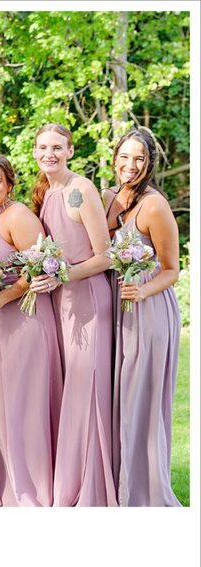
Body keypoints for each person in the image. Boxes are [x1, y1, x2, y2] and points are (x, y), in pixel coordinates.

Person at [29, 123, 117, 506]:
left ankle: (89, 485)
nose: (49, 154)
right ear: (34, 152)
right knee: (70, 391)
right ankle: (67, 479)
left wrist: (61, 274)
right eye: (43, 147)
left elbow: (105, 255)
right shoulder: (47, 192)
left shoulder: (80, 190)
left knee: (87, 391)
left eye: (57, 147)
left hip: (87, 298)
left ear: (70, 151)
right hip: (61, 301)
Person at [0, 155, 63, 506]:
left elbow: (37, 267)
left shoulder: (18, 215)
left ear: (9, 184)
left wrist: (3, 297)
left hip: (23, 321)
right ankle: (3, 479)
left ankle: (30, 486)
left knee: (24, 403)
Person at [103, 127, 181, 506]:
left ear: (149, 164)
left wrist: (143, 290)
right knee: (117, 398)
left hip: (148, 310)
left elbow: (171, 269)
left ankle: (144, 492)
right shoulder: (106, 198)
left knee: (140, 399)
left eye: (139, 159)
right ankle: (114, 485)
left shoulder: (155, 205)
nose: (129, 165)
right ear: (114, 156)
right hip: (114, 312)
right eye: (124, 156)